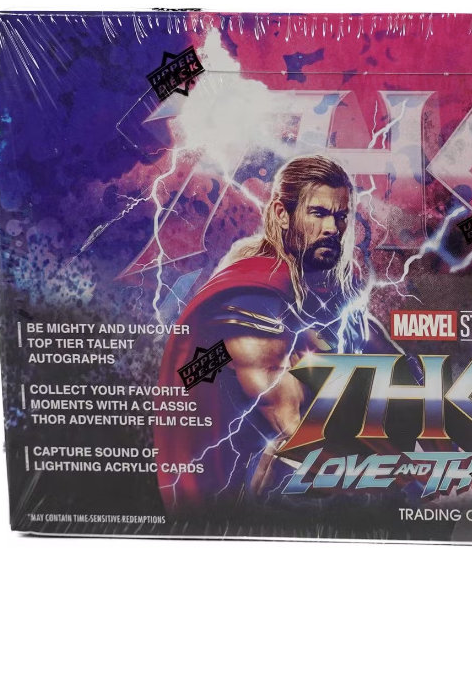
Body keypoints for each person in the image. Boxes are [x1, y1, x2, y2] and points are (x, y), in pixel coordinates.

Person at [155, 154, 400, 509]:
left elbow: (381, 354)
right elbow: (291, 422)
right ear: (283, 214)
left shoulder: (330, 282)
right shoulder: (254, 297)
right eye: (318, 213)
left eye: (340, 216)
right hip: (244, 478)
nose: (333, 228)